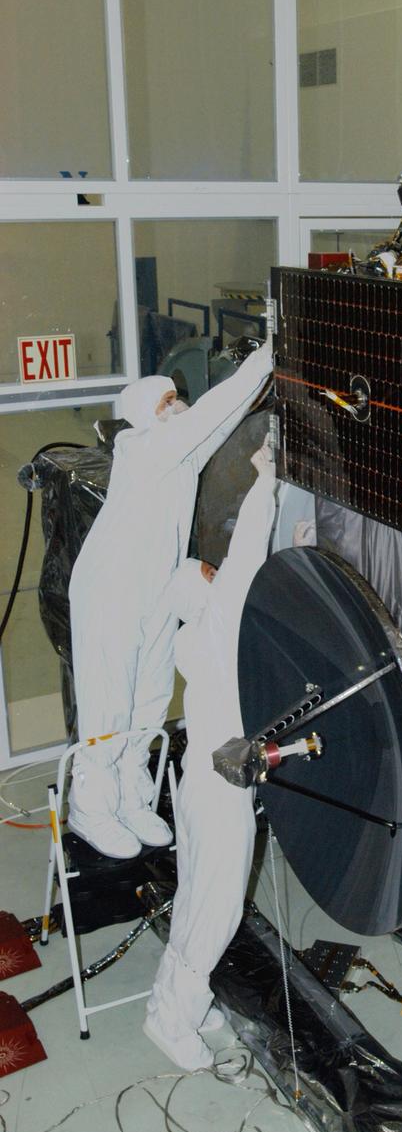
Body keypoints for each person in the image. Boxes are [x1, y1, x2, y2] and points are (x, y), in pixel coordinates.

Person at [68, 341, 273, 859]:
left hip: (154, 587)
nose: (178, 404)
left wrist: (263, 383)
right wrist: (270, 352)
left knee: (150, 698)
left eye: (177, 397)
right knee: (109, 702)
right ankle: (91, 806)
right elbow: (212, 411)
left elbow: (219, 422)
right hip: (110, 590)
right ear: (144, 416)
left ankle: (132, 798)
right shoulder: (143, 449)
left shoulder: (178, 455)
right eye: (167, 401)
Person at [143, 435, 277, 1071]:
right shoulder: (219, 626)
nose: (216, 570)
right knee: (217, 906)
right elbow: (248, 554)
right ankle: (173, 1020)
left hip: (200, 780)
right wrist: (265, 478)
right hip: (221, 790)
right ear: (202, 592)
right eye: (206, 571)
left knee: (198, 894)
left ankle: (177, 1002)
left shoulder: (195, 644)